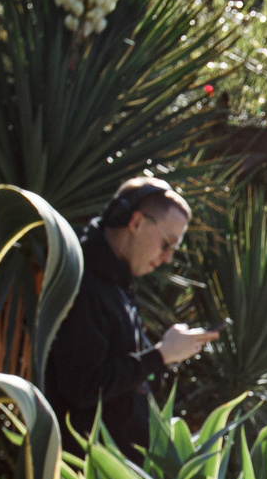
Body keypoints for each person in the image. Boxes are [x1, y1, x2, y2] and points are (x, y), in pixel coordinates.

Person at [44, 175, 220, 448]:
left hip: (116, 460)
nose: (168, 258)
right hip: (84, 462)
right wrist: (160, 356)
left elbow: (133, 378)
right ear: (136, 222)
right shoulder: (85, 281)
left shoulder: (117, 282)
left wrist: (166, 355)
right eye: (167, 243)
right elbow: (82, 387)